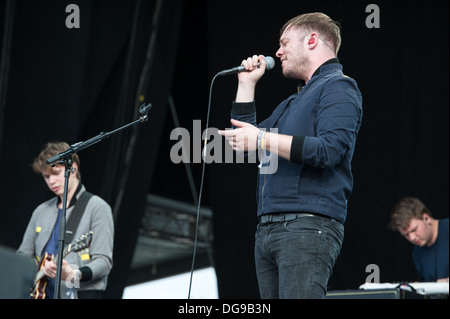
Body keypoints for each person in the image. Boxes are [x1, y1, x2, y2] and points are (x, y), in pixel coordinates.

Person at [218, 12, 363, 298]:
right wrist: (246, 84)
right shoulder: (292, 102)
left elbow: (329, 150)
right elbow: (247, 147)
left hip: (307, 226)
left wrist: (261, 137)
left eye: (284, 43)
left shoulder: (339, 86)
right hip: (269, 228)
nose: (278, 51)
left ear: (311, 40)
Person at [17, 141, 114, 299]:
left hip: (78, 293)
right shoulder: (41, 211)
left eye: (55, 173)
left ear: (73, 168)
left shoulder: (97, 207)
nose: (51, 181)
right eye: (46, 176)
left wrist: (73, 274)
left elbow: (103, 262)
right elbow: (23, 254)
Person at [390, 197, 449, 282]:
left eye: (414, 230)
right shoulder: (417, 252)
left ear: (426, 218)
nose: (412, 238)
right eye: (406, 235)